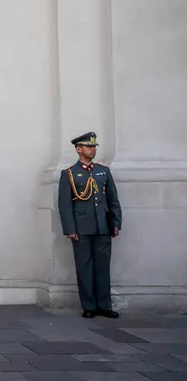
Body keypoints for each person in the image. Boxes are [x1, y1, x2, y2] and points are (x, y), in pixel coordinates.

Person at [58, 132, 123, 319]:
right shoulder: (69, 173)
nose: (93, 149)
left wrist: (116, 222)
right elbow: (65, 205)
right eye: (89, 147)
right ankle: (89, 306)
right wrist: (70, 229)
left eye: (94, 147)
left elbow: (113, 200)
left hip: (103, 226)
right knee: (84, 267)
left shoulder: (103, 171)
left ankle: (104, 305)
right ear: (79, 149)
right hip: (81, 228)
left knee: (103, 267)